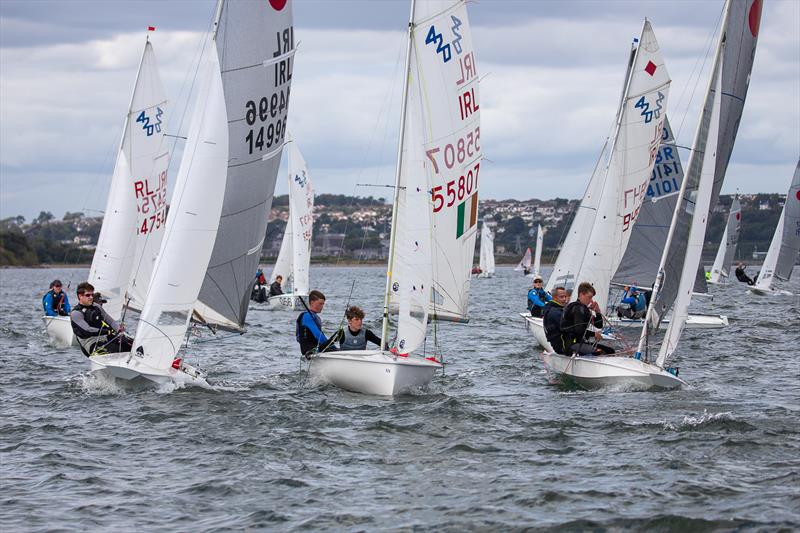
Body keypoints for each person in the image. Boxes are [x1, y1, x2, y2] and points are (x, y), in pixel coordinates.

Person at [70, 282, 133, 356]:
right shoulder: (76, 313)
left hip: (105, 338)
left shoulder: (97, 307)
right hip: (90, 343)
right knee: (114, 350)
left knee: (132, 345)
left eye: (92, 295)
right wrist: (107, 332)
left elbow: (111, 321)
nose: (91, 297)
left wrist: (119, 330)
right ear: (80, 296)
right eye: (88, 295)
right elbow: (87, 330)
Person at [560, 282, 615, 356]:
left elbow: (598, 325)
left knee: (610, 350)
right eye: (589, 297)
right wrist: (594, 334)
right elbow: (579, 330)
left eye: (592, 298)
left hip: (580, 342)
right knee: (601, 352)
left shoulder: (584, 309)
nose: (591, 300)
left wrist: (597, 312)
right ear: (581, 295)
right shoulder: (578, 308)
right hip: (571, 344)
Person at [296, 290, 337, 357]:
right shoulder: (307, 316)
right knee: (337, 338)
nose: (322, 306)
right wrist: (331, 346)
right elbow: (318, 335)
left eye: (323, 304)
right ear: (312, 302)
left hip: (317, 348)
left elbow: (298, 338)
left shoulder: (314, 316)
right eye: (320, 304)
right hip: (310, 351)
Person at [542, 286, 569, 354]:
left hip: (561, 345)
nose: (564, 299)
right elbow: (568, 327)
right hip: (563, 348)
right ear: (554, 297)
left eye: (565, 297)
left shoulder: (554, 308)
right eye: (561, 297)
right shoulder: (554, 312)